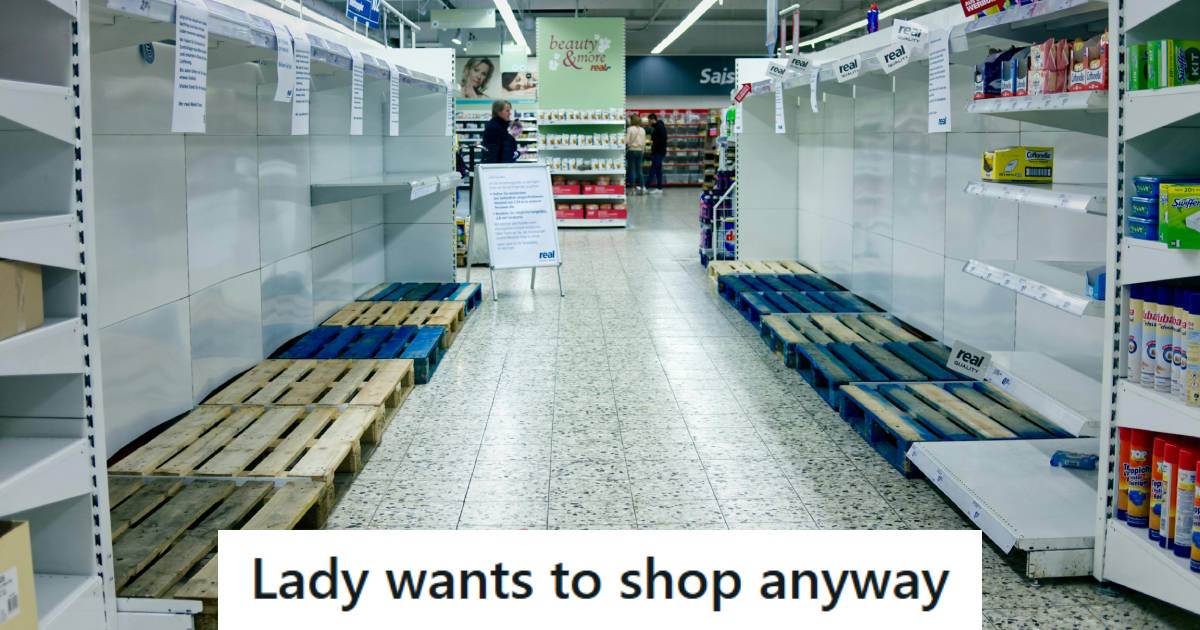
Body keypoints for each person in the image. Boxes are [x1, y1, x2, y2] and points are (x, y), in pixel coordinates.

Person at [481, 99, 518, 164]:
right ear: (498, 112)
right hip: (498, 167)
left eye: (509, 110)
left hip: (503, 165)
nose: (510, 113)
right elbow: (493, 153)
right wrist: (515, 154)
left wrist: (515, 153)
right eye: (507, 111)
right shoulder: (494, 127)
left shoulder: (503, 126)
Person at [625, 114, 647, 194]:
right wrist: (642, 150)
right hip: (640, 151)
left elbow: (627, 141)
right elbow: (644, 142)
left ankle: (633, 189)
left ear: (632, 121)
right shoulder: (643, 130)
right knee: (640, 170)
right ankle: (643, 188)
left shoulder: (630, 129)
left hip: (632, 150)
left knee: (632, 170)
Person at [647, 113, 668, 193]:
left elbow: (662, 139)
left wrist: (653, 143)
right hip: (657, 151)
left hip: (659, 151)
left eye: (649, 120)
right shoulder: (656, 127)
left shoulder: (659, 127)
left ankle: (646, 186)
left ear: (652, 119)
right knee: (658, 170)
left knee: (653, 169)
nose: (648, 122)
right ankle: (659, 188)